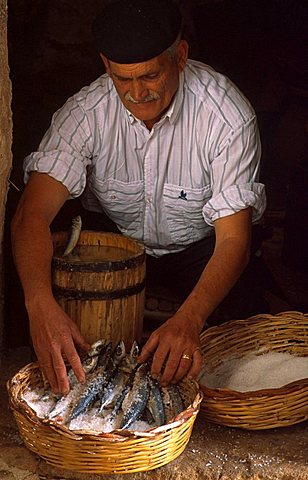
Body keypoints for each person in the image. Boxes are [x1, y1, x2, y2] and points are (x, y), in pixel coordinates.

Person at [11, 0, 266, 395]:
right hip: (114, 243)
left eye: (149, 76)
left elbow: (234, 239)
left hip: (199, 249)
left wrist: (189, 320)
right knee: (26, 300)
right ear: (105, 65)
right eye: (121, 79)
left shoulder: (226, 117)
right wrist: (38, 306)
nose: (135, 93)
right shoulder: (86, 112)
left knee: (246, 327)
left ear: (179, 56)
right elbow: (31, 216)